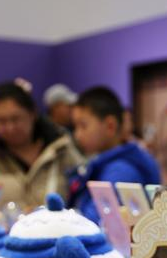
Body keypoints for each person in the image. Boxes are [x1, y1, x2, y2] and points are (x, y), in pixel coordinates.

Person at [0, 81, 81, 211]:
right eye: (1, 121)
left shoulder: (61, 149)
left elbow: (81, 194)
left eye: (15, 119)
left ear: (33, 114)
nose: (10, 128)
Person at [68, 86, 161, 223]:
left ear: (110, 126)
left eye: (83, 126)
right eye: (75, 127)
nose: (77, 135)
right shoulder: (107, 164)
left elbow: (92, 223)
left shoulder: (121, 171)